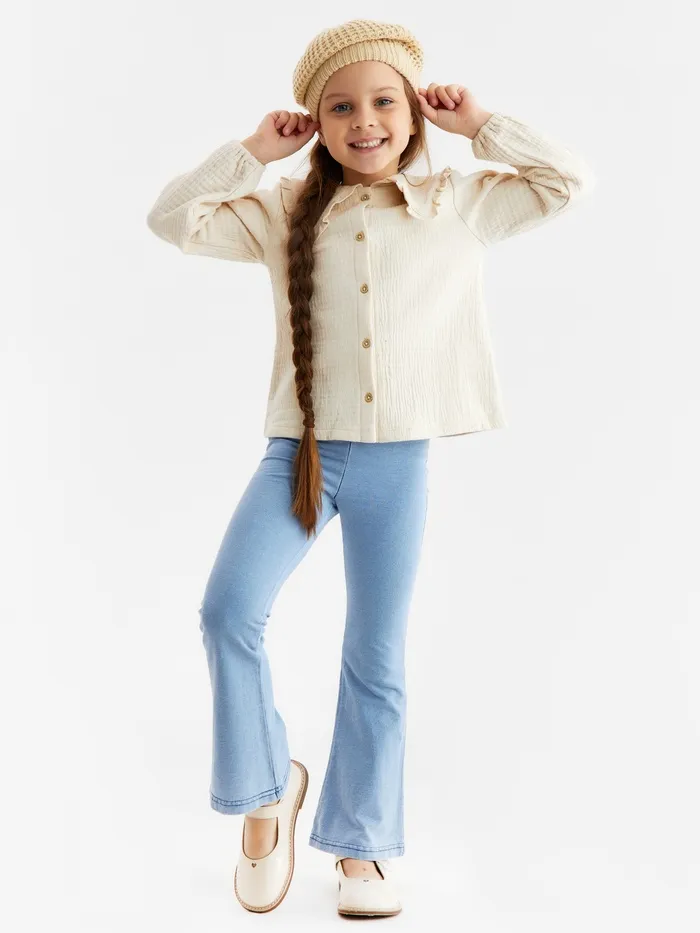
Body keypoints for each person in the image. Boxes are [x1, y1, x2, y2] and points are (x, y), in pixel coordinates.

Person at [146, 17, 595, 919]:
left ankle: (364, 845)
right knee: (229, 610)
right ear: (315, 122)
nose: (365, 122)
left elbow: (564, 182)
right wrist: (252, 152)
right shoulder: (281, 211)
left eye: (384, 101)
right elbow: (171, 220)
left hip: (399, 462)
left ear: (414, 111)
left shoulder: (459, 204)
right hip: (301, 457)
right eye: (341, 107)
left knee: (376, 655)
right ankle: (268, 791)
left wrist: (481, 125)